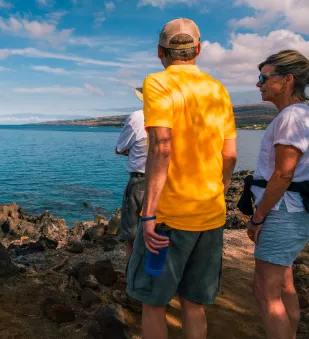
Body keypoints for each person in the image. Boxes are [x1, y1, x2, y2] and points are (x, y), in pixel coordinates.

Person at [126, 18, 238, 339]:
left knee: (154, 304)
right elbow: (229, 156)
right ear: (198, 50)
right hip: (211, 215)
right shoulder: (218, 90)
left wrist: (148, 214)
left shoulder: (157, 83)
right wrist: (219, 193)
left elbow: (161, 147)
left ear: (160, 51)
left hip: (169, 220)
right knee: (194, 305)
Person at [245, 50, 309, 339]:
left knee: (264, 290)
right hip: (294, 212)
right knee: (284, 287)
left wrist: (258, 218)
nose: (259, 84)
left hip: (283, 213)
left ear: (287, 80)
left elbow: (284, 174)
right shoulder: (302, 114)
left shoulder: (291, 117)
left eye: (263, 77)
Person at [112, 88, 147, 308]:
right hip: (169, 184)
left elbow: (119, 148)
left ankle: (134, 295)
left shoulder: (138, 117)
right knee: (162, 239)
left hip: (141, 183)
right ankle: (158, 290)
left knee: (133, 239)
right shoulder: (177, 117)